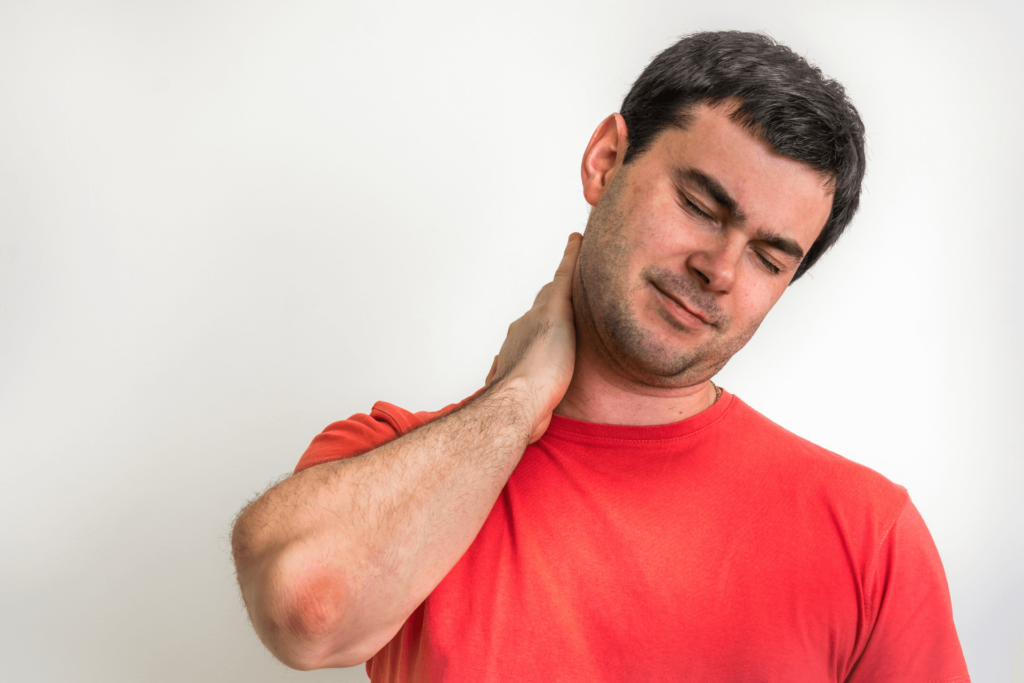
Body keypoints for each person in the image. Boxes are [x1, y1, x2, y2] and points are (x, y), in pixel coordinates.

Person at [231, 30, 970, 682]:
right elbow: (306, 609)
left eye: (769, 258)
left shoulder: (868, 535)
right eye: (701, 206)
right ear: (605, 159)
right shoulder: (395, 466)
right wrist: (517, 402)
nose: (719, 267)